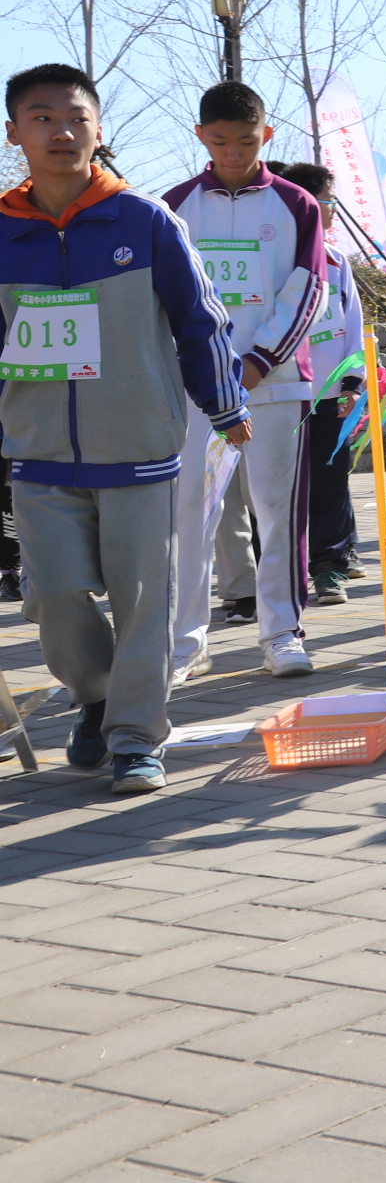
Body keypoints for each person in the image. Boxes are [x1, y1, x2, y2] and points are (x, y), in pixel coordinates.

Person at [3, 66, 249, 793]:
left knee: (145, 600)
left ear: (99, 129)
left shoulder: (144, 220)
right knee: (51, 596)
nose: (61, 130)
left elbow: (201, 324)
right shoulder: (3, 230)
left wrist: (226, 409)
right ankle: (99, 695)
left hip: (138, 447)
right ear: (14, 133)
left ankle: (138, 736)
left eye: (75, 116)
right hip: (36, 451)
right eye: (41, 117)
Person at [163, 82, 325, 684]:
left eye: (247, 141)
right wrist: (208, 373)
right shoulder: (174, 205)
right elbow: (166, 300)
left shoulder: (296, 204)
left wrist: (256, 361)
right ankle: (186, 642)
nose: (234, 152)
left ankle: (281, 633)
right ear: (202, 135)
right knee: (190, 513)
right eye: (222, 140)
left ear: (268, 136)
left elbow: (308, 288)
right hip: (197, 390)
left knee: (275, 512)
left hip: (274, 383)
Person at [277, 164, 365, 607]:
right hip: (279, 396)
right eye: (327, 203)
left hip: (329, 394)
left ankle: (329, 567)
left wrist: (353, 382)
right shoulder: (272, 259)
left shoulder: (336, 261)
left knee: (330, 483)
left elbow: (352, 324)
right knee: (278, 489)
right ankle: (277, 573)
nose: (331, 212)